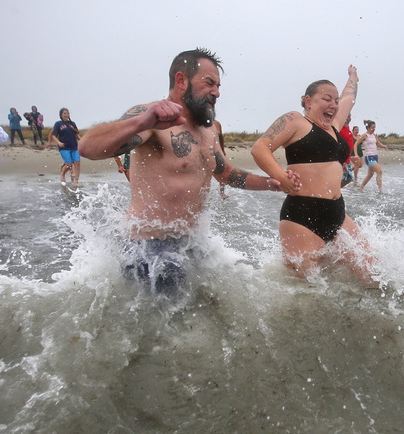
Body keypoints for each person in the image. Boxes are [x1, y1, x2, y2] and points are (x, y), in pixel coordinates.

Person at [79, 48, 298, 295]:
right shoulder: (150, 118)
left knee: (223, 300)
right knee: (173, 326)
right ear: (181, 80)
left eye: (218, 85)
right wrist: (142, 122)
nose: (216, 92)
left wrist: (271, 183)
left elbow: (226, 174)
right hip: (151, 247)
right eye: (209, 83)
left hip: (193, 243)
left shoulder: (210, 128)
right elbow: (87, 147)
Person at [251, 66, 378, 284]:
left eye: (335, 101)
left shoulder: (335, 126)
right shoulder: (295, 121)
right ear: (308, 101)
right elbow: (260, 148)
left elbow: (349, 97)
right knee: (305, 292)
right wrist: (281, 176)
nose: (334, 105)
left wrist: (353, 78)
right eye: (327, 99)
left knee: (373, 277)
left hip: (337, 214)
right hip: (301, 217)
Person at [46, 108, 81, 187]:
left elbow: (76, 134)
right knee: (69, 164)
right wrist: (58, 142)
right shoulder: (58, 124)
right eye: (64, 113)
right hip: (64, 147)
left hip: (74, 146)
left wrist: (82, 141)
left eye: (67, 113)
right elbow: (53, 135)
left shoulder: (72, 123)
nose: (66, 115)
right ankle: (62, 173)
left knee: (77, 163)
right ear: (61, 115)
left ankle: (76, 180)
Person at [356, 120, 387, 193]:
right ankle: (380, 190)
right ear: (368, 128)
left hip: (375, 156)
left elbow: (378, 143)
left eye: (375, 127)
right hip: (369, 157)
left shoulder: (374, 135)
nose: (374, 129)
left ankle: (360, 188)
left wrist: (384, 146)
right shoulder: (364, 135)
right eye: (372, 127)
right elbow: (356, 143)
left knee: (370, 175)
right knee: (379, 171)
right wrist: (356, 154)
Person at [338, 115, 355, 187]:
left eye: (350, 116)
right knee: (341, 179)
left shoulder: (347, 128)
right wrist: (342, 162)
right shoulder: (339, 128)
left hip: (347, 160)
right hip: (342, 160)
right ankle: (333, 194)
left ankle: (335, 193)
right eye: (347, 116)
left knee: (349, 178)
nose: (349, 118)